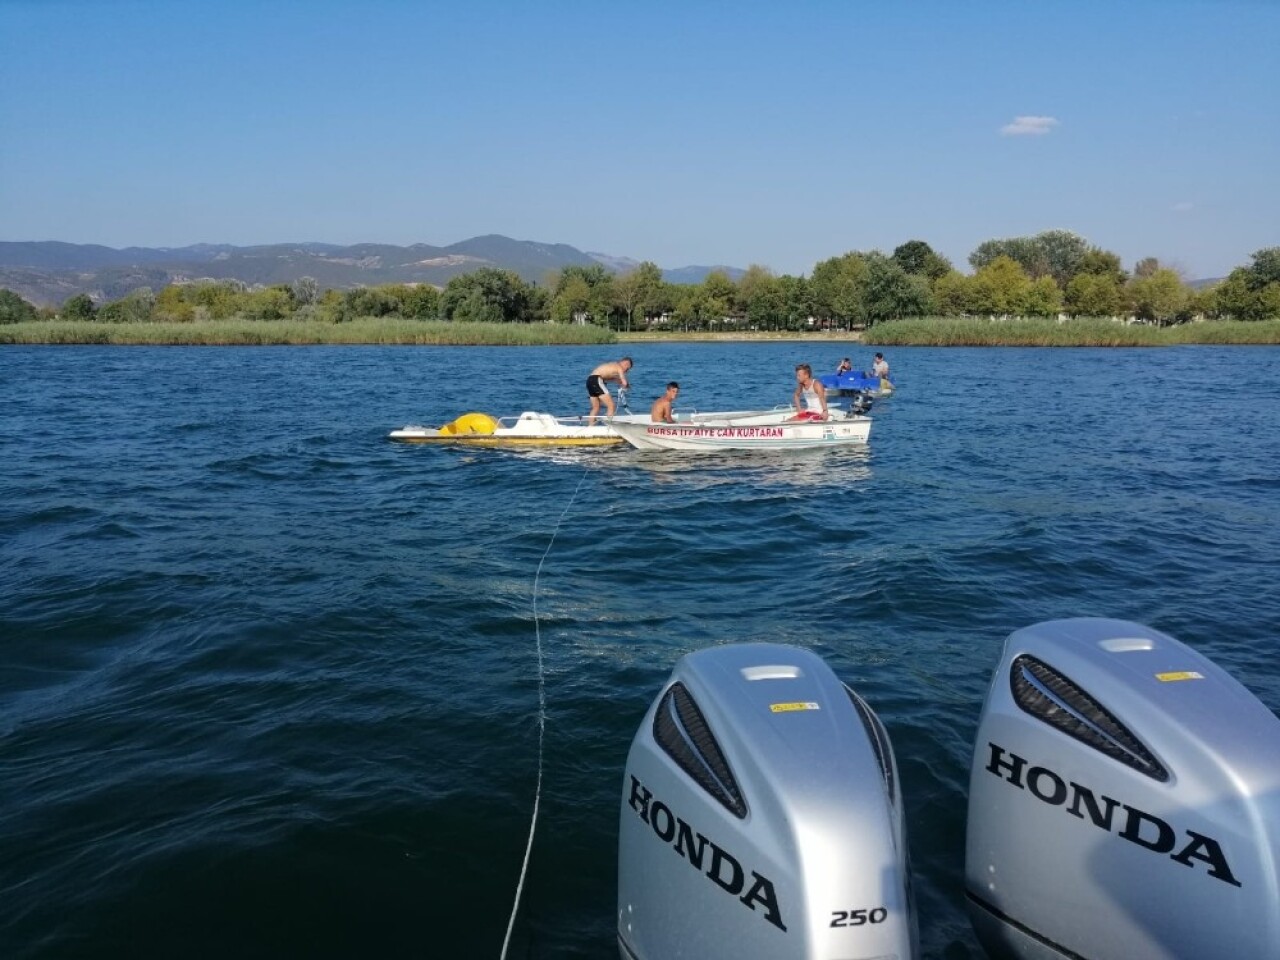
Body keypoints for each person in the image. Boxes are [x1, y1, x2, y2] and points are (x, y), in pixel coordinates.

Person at [586, 356, 633, 426]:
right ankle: (609, 427)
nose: (627, 371)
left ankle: (590, 427)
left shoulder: (612, 366)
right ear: (626, 364)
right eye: (628, 369)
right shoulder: (619, 367)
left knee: (595, 407)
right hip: (597, 380)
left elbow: (615, 379)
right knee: (611, 405)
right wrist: (626, 385)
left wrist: (623, 383)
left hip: (589, 380)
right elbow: (624, 382)